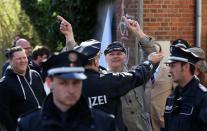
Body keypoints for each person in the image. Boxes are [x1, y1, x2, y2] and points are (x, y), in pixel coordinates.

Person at [17, 50, 115, 131]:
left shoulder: (104, 122)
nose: (71, 90)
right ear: (49, 83)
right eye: (63, 83)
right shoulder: (29, 124)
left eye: (76, 82)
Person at [104, 17, 156, 131]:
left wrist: (139, 33)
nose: (116, 56)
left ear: (125, 57)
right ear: (105, 58)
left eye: (119, 53)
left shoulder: (137, 75)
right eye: (111, 54)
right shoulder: (101, 79)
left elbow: (152, 55)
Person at [163, 42, 207, 131]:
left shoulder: (203, 98)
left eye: (173, 66)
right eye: (169, 66)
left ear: (186, 67)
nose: (170, 71)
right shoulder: (172, 97)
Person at [0, 46, 46, 131]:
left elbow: (44, 98)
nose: (23, 61)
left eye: (24, 57)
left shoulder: (35, 75)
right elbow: (4, 114)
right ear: (10, 61)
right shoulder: (4, 84)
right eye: (19, 59)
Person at [144, 42, 173, 131]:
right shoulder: (140, 72)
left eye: (155, 52)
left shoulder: (170, 72)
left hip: (163, 121)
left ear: (161, 54)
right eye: (150, 53)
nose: (153, 55)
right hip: (144, 121)